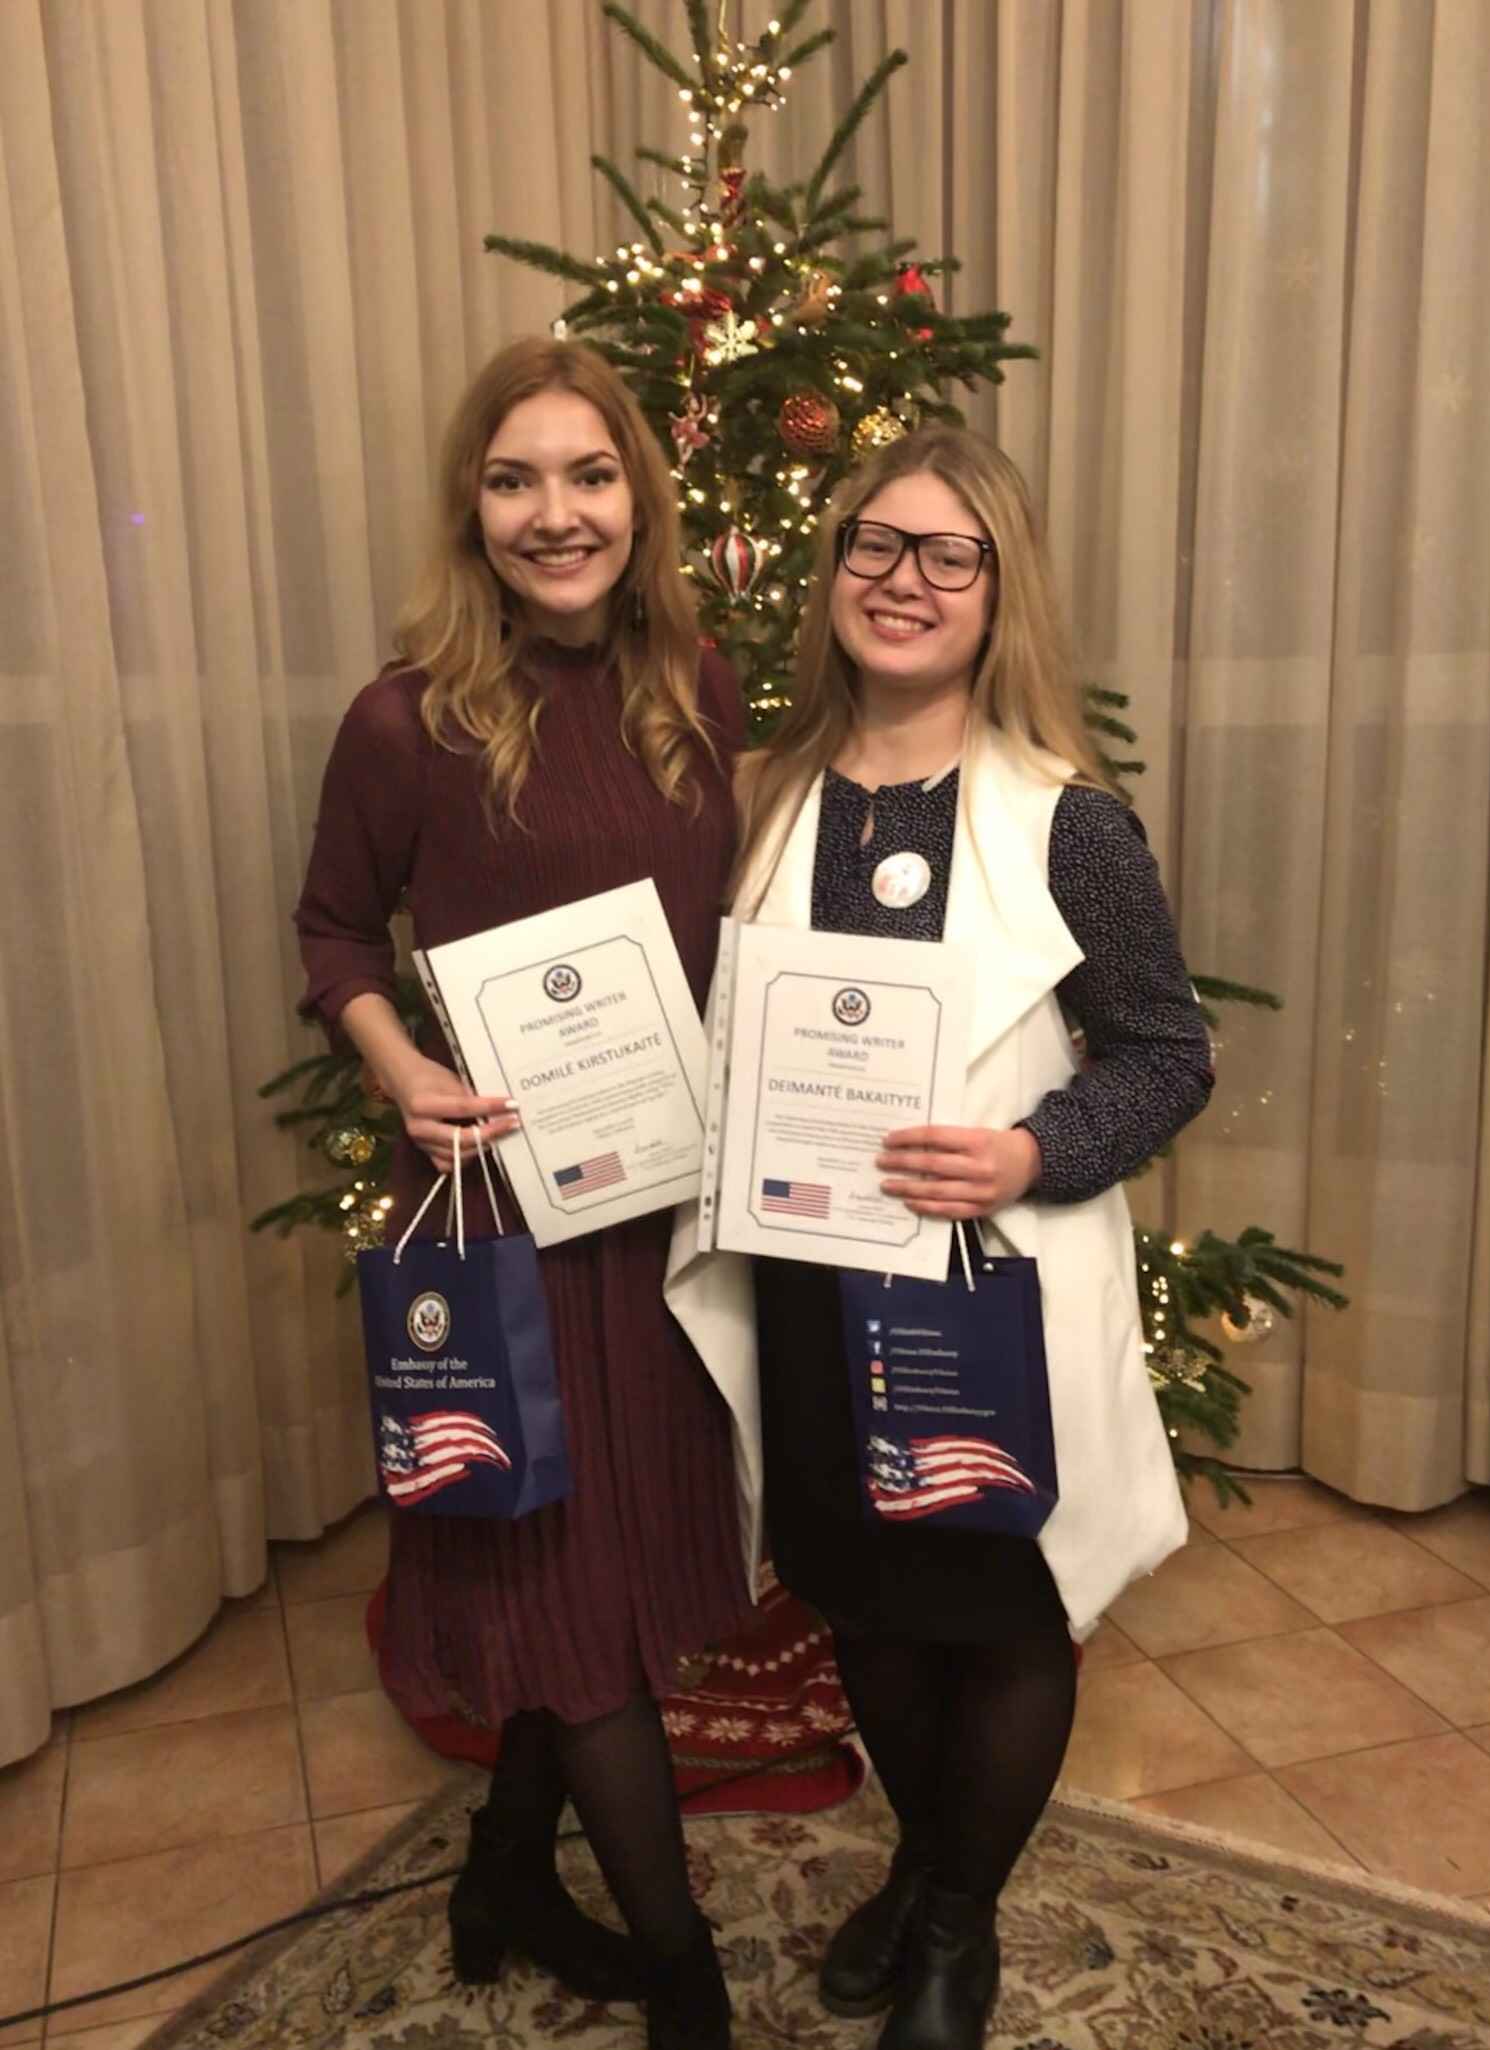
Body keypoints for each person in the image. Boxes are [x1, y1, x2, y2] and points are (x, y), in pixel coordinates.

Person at [295, 338, 758, 2050]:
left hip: (665, 1212)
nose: (555, 514)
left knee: (621, 1572)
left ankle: (501, 1869)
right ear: (470, 507)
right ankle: (687, 1978)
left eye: (589, 474)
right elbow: (333, 928)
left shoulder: (696, 686)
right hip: (508, 1220)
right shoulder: (406, 719)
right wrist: (399, 1067)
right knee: (572, 1605)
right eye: (514, 480)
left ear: (640, 498)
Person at [730, 426, 1212, 2050]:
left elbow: (1167, 1055)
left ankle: (952, 1918)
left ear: (1001, 590)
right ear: (834, 570)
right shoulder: (766, 797)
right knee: (864, 1599)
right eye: (876, 544)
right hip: (813, 1283)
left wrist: (1027, 1149)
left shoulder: (1071, 823)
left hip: (985, 1302)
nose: (905, 580)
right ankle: (931, 1861)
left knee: (1003, 1608)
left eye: (951, 554)